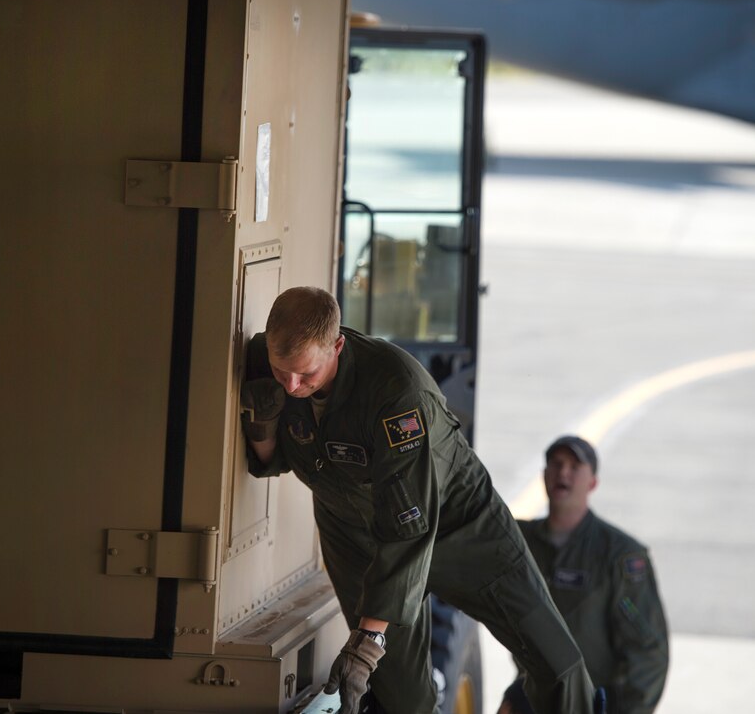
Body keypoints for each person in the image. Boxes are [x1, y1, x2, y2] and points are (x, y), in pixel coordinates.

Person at [239, 286, 596, 714]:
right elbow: (282, 458)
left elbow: (410, 525)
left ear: (337, 346)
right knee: (403, 700)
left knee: (556, 663)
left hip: (459, 526)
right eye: (283, 375)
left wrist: (367, 644)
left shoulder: (397, 393)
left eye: (305, 375)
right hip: (357, 536)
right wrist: (263, 426)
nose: (293, 385)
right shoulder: (268, 357)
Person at [501, 436, 669, 714]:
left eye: (574, 466)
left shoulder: (620, 556)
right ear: (544, 476)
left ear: (592, 482)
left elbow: (648, 650)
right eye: (555, 464)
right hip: (530, 697)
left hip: (593, 702)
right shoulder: (520, 542)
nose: (563, 472)